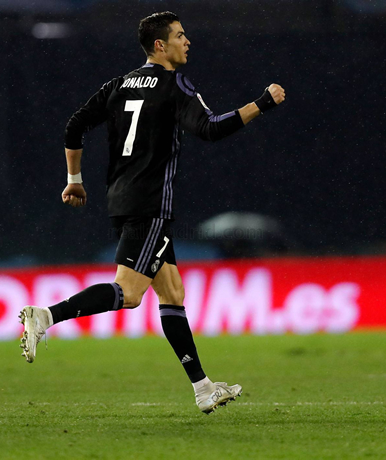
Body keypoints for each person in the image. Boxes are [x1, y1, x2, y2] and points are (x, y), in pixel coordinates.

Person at [19, 11, 285, 414]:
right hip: (149, 204)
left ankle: (203, 388)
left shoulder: (119, 84)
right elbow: (211, 127)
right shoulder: (174, 83)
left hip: (122, 197)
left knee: (172, 292)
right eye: (180, 35)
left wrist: (74, 178)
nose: (187, 41)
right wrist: (262, 103)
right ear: (160, 45)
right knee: (128, 293)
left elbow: (75, 125)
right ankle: (46, 316)